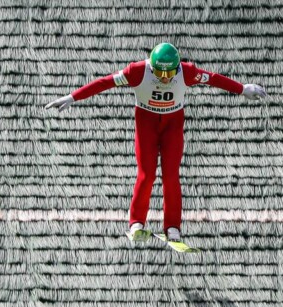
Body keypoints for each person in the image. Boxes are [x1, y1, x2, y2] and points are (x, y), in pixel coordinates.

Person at [45, 42, 267, 243]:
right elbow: (104, 83)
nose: (165, 78)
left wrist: (242, 89)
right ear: (151, 67)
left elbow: (214, 78)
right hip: (147, 124)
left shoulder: (186, 72)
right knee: (146, 174)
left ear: (177, 68)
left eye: (170, 72)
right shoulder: (137, 71)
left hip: (172, 125)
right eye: (160, 72)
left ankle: (172, 227)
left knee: (171, 176)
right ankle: (136, 224)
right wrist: (73, 97)